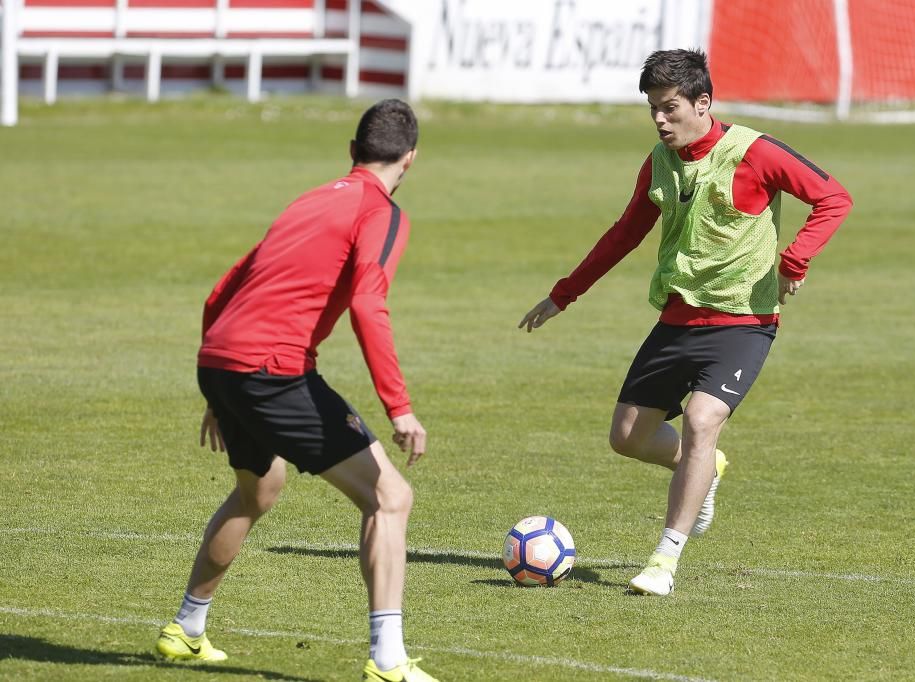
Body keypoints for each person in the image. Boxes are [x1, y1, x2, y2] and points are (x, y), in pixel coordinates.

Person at [519, 49, 852, 596]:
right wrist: (565, 294)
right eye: (652, 108)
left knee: (701, 419)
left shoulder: (754, 152)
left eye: (670, 107)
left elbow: (833, 198)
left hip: (744, 322)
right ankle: (706, 468)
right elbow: (625, 233)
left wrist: (794, 261)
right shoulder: (658, 162)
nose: (659, 119)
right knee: (626, 437)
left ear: (703, 102)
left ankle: (663, 561)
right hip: (677, 320)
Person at [155, 99, 439, 682]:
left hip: (222, 359)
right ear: (412, 158)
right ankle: (388, 661)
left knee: (260, 489)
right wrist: (400, 407)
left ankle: (186, 628)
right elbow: (367, 302)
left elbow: (222, 290)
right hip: (271, 369)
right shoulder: (381, 211)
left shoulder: (312, 198)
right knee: (390, 497)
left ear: (351, 152)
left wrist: (219, 383)